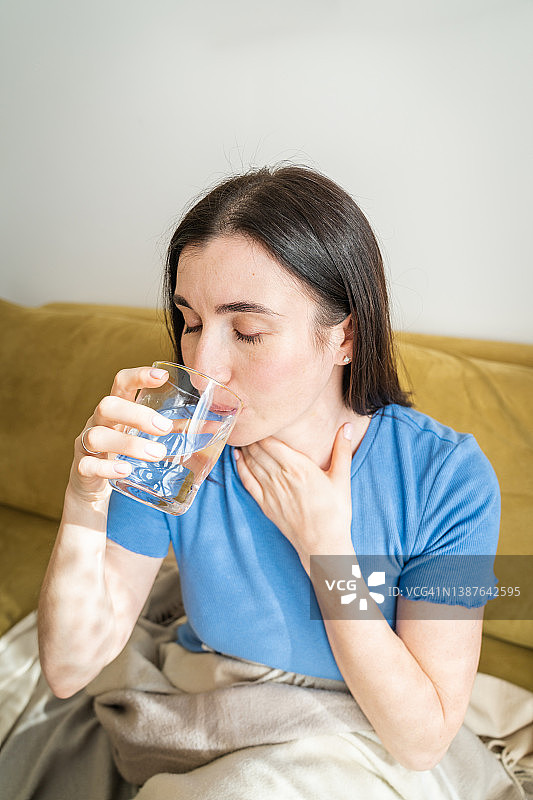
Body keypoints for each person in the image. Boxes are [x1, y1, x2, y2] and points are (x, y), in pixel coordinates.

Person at [37, 165, 501, 787]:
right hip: (204, 708)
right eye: (191, 322)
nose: (204, 366)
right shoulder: (175, 441)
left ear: (345, 338)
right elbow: (69, 669)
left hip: (360, 736)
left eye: (248, 331)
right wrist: (84, 496)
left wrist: (327, 552)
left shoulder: (447, 479)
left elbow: (420, 741)